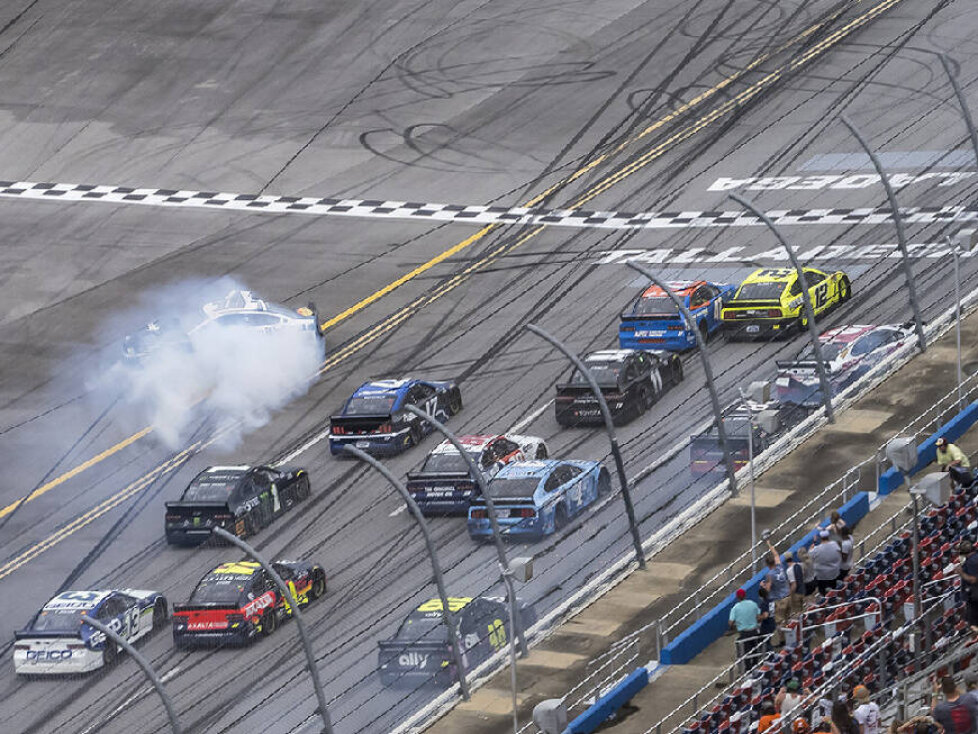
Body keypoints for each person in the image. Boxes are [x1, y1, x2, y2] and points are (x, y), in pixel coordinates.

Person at [761, 539, 793, 642]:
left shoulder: (770, 575)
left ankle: (783, 641)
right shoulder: (780, 567)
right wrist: (769, 543)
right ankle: (791, 638)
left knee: (779, 622)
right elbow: (776, 555)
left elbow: (768, 589)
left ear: (767, 565)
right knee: (787, 619)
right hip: (788, 597)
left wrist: (763, 585)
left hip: (780, 600)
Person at [729, 588, 762, 661]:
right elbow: (759, 617)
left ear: (737, 597)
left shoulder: (735, 608)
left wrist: (734, 626)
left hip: (744, 633)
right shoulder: (753, 604)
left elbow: (730, 622)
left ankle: (748, 668)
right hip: (754, 631)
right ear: (745, 595)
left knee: (746, 652)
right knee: (755, 649)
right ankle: (755, 664)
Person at [810, 529, 843, 595]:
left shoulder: (817, 549)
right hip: (834, 572)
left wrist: (814, 541)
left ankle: (825, 598)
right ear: (828, 536)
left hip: (822, 576)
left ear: (821, 538)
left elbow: (810, 554)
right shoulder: (834, 544)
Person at [956, 541, 978, 635]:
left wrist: (961, 573)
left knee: (973, 623)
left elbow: (973, 579)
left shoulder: (971, 562)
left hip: (975, 595)